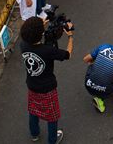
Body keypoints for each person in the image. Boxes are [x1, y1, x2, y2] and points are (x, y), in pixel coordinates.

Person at [21, 16, 72, 144]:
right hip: (47, 89)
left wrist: (40, 25)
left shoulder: (23, 45)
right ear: (40, 34)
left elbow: (33, 33)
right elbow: (67, 54)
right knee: (52, 116)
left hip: (32, 86)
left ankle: (34, 134)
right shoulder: (48, 50)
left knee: (33, 111)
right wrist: (70, 36)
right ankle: (52, 140)